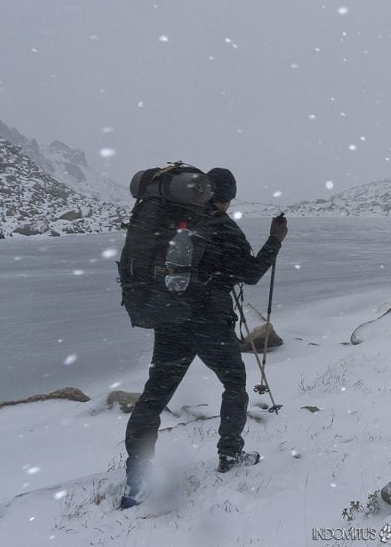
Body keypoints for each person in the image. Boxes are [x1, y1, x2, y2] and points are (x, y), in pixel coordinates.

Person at [121, 167, 288, 508]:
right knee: (234, 382)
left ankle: (137, 476)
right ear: (226, 198)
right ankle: (230, 454)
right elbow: (252, 274)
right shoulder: (222, 226)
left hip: (169, 317)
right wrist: (276, 240)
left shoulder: (171, 218)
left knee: (155, 394)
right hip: (209, 320)